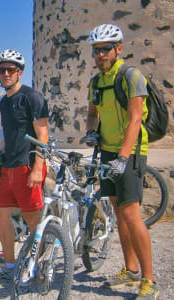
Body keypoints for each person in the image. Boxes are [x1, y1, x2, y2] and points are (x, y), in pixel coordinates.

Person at [85, 24, 158, 299]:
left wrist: (124, 157)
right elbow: (93, 113)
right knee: (118, 212)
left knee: (130, 212)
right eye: (96, 50)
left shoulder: (131, 76)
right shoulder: (95, 82)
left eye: (105, 49)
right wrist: (91, 131)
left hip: (131, 151)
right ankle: (130, 268)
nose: (100, 55)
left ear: (118, 49)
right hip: (107, 150)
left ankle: (149, 279)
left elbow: (136, 118)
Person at [0, 49, 49, 281]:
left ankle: (36, 265)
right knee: (1, 216)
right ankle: (9, 266)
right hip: (8, 167)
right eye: (2, 70)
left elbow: (43, 135)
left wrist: (38, 168)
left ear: (20, 72)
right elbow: (8, 137)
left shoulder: (33, 98)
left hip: (27, 166)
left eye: (11, 70)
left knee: (33, 220)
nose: (7, 73)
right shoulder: (3, 102)